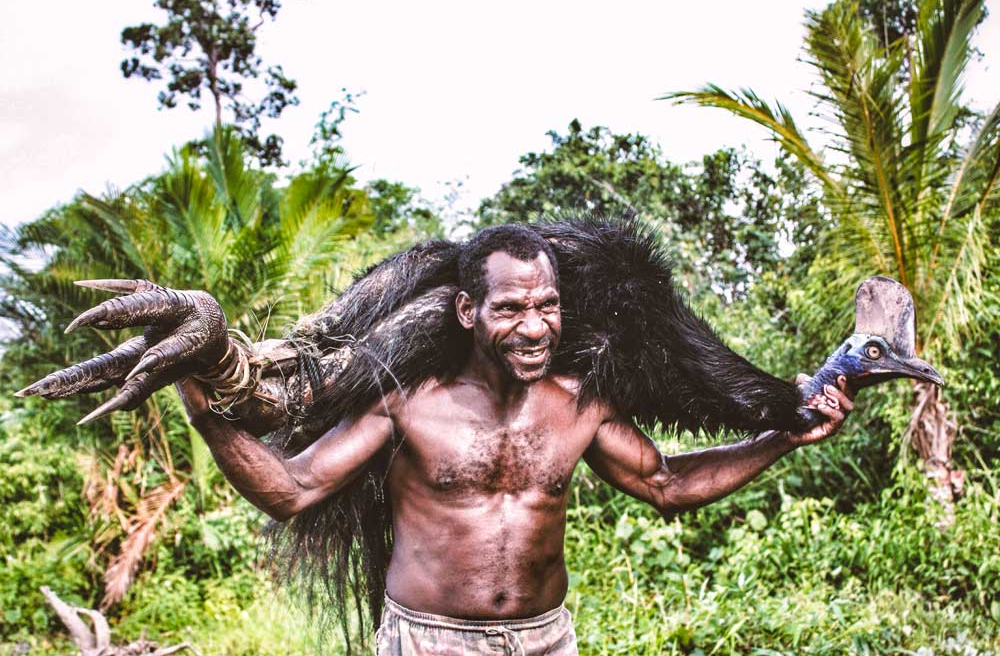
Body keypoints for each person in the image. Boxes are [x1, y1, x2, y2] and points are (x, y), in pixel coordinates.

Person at [166, 225, 853, 655]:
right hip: (431, 640)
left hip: (544, 637)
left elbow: (664, 482)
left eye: (547, 305)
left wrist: (781, 439)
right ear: (468, 310)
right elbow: (294, 488)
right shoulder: (411, 402)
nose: (534, 327)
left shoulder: (578, 404)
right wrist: (205, 411)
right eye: (512, 308)